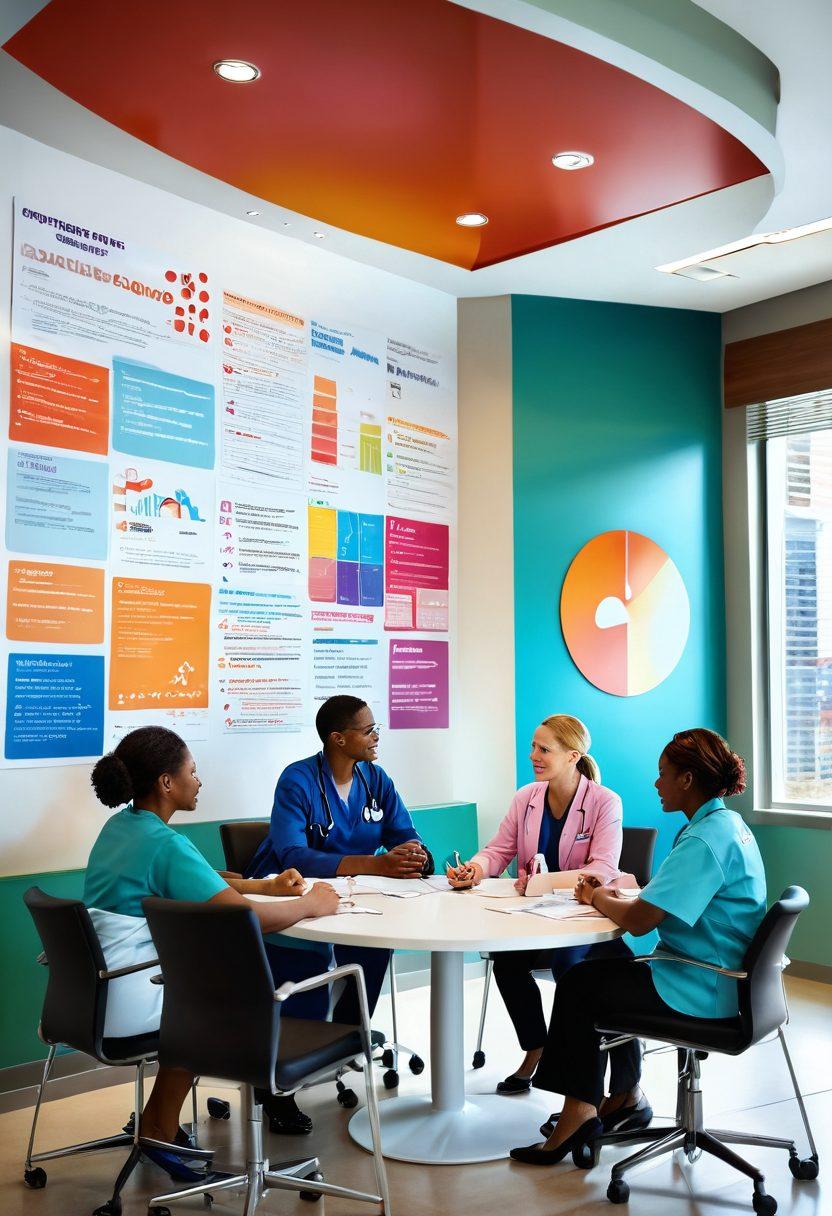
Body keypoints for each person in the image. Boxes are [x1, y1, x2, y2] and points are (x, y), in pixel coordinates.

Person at [84, 726, 340, 1182]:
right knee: (219, 1004)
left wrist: (264, 885)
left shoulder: (125, 827)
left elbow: (201, 877)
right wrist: (310, 904)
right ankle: (161, 1128)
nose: (199, 781)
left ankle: (156, 1122)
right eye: (193, 771)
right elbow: (245, 919)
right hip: (131, 997)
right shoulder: (160, 842)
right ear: (166, 783)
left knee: (206, 995)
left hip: (95, 992)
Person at [510, 727, 767, 1166]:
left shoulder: (704, 840)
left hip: (702, 986)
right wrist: (618, 898)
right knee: (604, 966)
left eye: (663, 774)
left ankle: (578, 1114)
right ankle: (623, 1096)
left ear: (687, 780)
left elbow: (638, 920)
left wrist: (595, 896)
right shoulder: (726, 824)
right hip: (727, 978)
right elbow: (657, 904)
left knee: (578, 984)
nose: (656, 784)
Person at [446, 714, 636, 1104]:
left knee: (575, 968)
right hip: (536, 920)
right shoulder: (526, 797)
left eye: (543, 749)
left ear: (572, 756)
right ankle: (537, 1048)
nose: (533, 754)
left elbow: (601, 869)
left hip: (584, 922)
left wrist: (544, 882)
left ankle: (592, 1089)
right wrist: (475, 870)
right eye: (533, 746)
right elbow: (499, 850)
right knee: (507, 960)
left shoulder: (604, 802)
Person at [245, 695, 432, 1031]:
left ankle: (348, 1037)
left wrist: (415, 854)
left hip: (356, 899)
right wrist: (376, 864)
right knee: (306, 968)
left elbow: (404, 833)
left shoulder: (375, 780)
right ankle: (302, 1048)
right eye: (368, 730)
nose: (376, 737)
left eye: (377, 729)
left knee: (375, 949)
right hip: (294, 896)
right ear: (338, 738)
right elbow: (293, 856)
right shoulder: (297, 780)